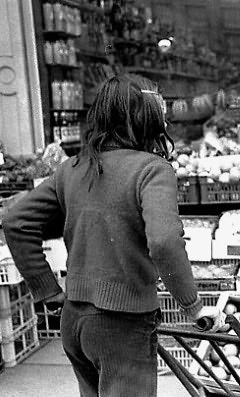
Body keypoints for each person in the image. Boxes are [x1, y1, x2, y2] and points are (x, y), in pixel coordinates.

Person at [2, 74, 225, 397]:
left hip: (74, 322)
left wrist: (47, 290)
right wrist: (193, 307)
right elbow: (163, 241)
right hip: (121, 325)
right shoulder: (152, 169)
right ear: (145, 117)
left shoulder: (73, 168)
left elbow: (15, 221)